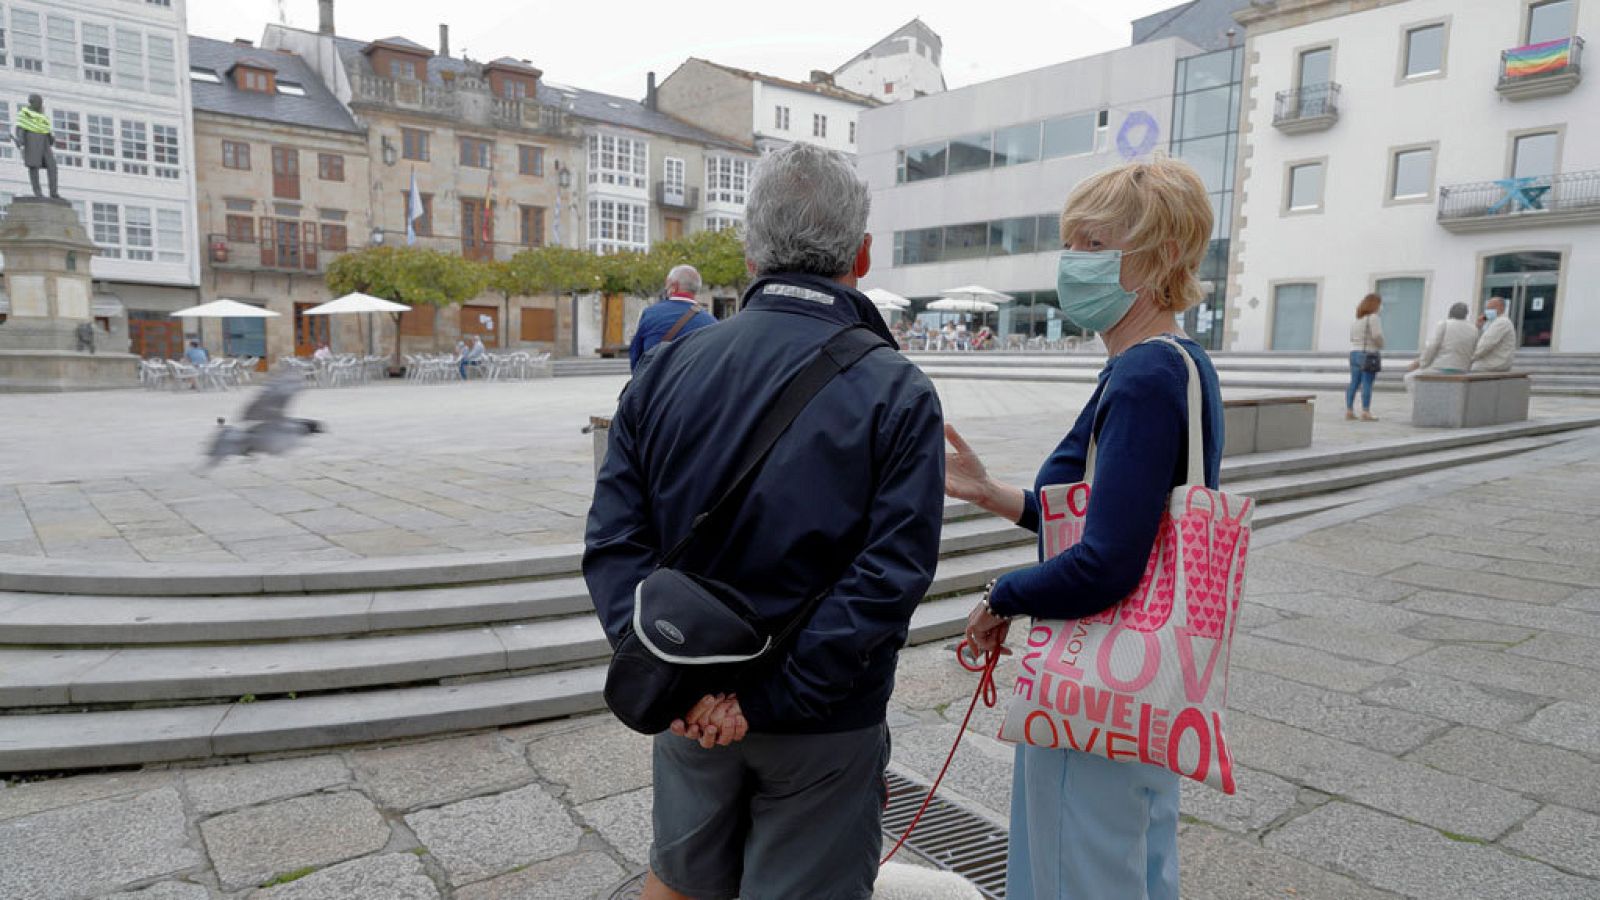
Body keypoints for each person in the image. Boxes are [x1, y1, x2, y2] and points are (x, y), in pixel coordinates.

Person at [583, 142, 945, 900]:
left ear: (750, 252)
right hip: (825, 724)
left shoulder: (666, 369)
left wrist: (673, 679)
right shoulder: (896, 389)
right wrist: (765, 701)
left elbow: (614, 542)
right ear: (862, 254)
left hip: (689, 704)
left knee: (678, 882)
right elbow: (890, 577)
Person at [944, 157, 1223, 900]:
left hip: (1095, 683)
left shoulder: (1141, 376)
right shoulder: (1180, 363)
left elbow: (1105, 562)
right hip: (1149, 681)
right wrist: (993, 494)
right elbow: (1106, 515)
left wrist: (1001, 596)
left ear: (1161, 255)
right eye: (1072, 241)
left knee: (1074, 873)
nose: (1074, 260)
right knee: (1133, 866)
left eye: (1095, 244)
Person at [628, 265, 717, 372]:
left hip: (657, 381)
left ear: (674, 286)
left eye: (667, 284)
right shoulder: (711, 322)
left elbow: (636, 356)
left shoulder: (650, 314)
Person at [1408, 303, 1476, 375]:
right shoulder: (1474, 329)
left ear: (1450, 313)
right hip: (1463, 370)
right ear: (1466, 315)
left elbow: (1432, 346)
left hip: (1442, 367)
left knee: (1410, 377)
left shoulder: (1445, 324)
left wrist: (1422, 363)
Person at [13, 94, 60, 199]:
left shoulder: (42, 116)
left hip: (45, 143)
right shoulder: (25, 114)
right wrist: (20, 140)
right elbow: (21, 128)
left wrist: (51, 138)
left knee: (52, 166)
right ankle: (37, 192)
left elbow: (47, 130)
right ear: (32, 102)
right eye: (39, 102)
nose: (40, 105)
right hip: (32, 141)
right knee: (34, 166)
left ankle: (53, 192)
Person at [1347, 293, 1385, 421]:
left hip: (1354, 353)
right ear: (1375, 305)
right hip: (1368, 354)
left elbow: (1352, 338)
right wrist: (1381, 345)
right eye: (1380, 304)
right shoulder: (1373, 318)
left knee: (1354, 382)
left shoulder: (1356, 321)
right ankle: (1365, 411)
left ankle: (1349, 410)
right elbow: (1377, 335)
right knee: (1367, 382)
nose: (1381, 307)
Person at [1474, 296, 1517, 372]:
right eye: (1487, 308)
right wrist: (1479, 327)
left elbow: (1485, 345)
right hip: (1492, 363)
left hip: (1492, 364)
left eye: (1491, 308)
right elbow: (1483, 341)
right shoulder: (1494, 322)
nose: (1488, 311)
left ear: (1501, 308)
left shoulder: (1501, 322)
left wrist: (1470, 358)